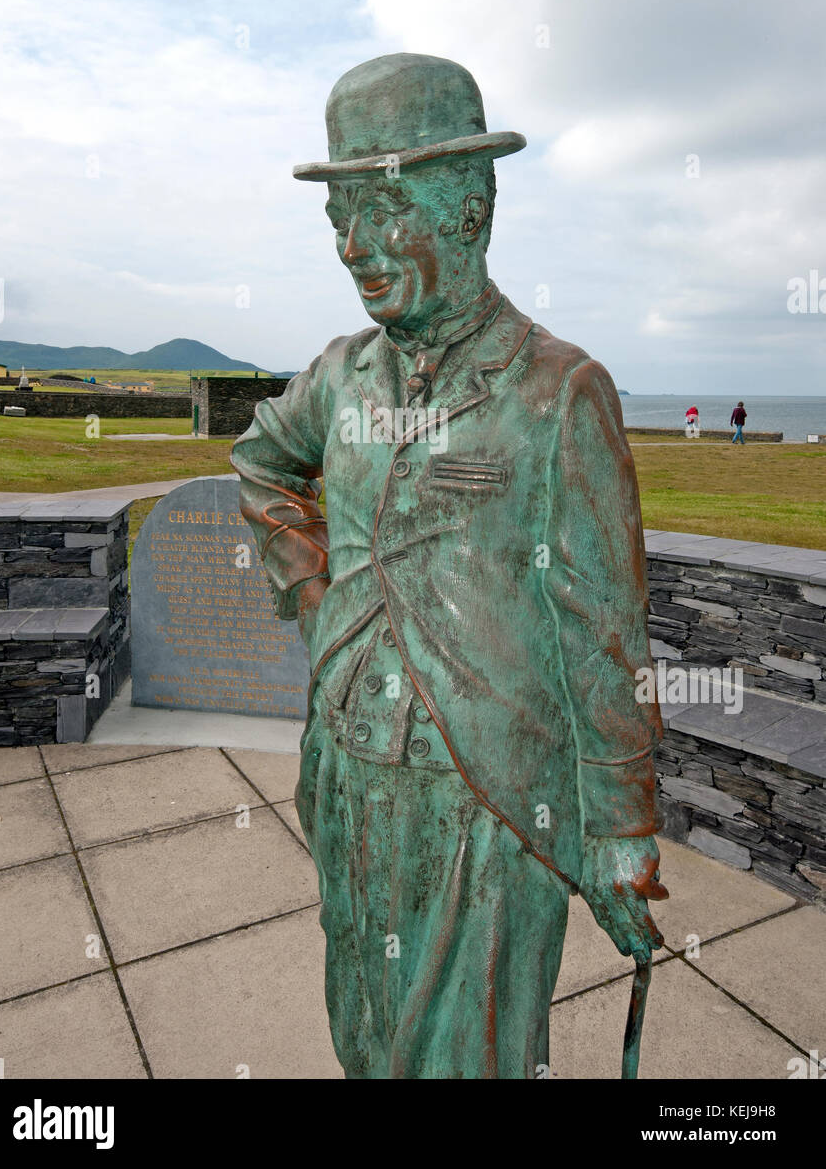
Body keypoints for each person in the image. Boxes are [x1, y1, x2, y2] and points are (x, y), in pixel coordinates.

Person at [231, 53, 666, 1079]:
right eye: (337, 217)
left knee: (466, 1062)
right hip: (345, 781)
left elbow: (604, 632)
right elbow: (260, 461)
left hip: (487, 804)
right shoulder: (340, 375)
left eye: (378, 210)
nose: (351, 247)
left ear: (468, 207)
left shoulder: (557, 392)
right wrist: (310, 590)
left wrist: (619, 827)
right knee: (367, 1039)